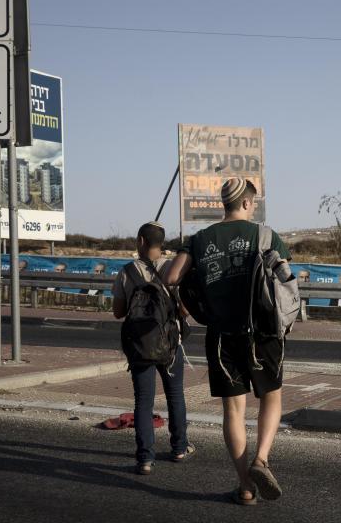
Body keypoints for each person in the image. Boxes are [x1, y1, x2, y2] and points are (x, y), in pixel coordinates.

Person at [165, 177, 290, 506]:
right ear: (248, 203)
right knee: (271, 398)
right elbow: (285, 281)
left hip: (221, 337)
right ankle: (261, 459)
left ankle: (246, 486)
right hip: (263, 333)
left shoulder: (200, 238)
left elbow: (172, 277)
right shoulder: (265, 235)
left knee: (234, 411)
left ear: (225, 204)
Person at [112, 222, 193, 476]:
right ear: (162, 243)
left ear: (141, 241)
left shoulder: (127, 271)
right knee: (175, 396)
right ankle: (179, 448)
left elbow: (118, 312)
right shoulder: (172, 269)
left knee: (143, 402)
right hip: (170, 346)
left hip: (140, 348)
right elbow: (186, 309)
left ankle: (145, 459)